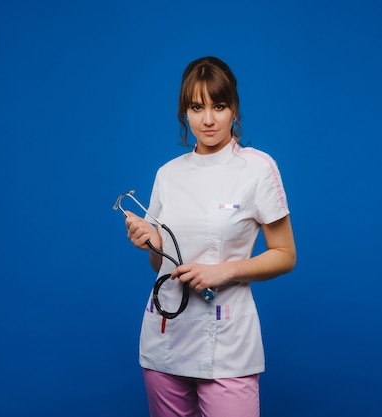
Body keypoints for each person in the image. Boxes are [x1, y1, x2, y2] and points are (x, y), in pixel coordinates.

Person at [122, 56, 296, 417]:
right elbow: (161, 263)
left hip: (227, 342)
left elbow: (284, 254)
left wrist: (223, 271)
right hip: (165, 336)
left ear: (234, 109)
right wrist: (150, 242)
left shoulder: (257, 168)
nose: (208, 119)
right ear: (185, 112)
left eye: (219, 106)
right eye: (196, 107)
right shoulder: (168, 174)